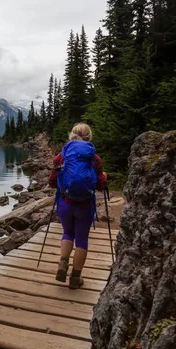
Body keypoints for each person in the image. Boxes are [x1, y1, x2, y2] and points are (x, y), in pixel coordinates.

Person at [48, 123, 107, 289]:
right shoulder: (94, 158)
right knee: (82, 240)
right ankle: (75, 278)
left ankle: (62, 263)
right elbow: (100, 185)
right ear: (89, 137)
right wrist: (104, 178)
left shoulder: (62, 156)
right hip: (85, 205)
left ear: (72, 135)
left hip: (65, 203)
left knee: (67, 233)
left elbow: (52, 182)